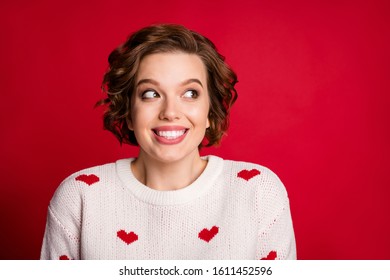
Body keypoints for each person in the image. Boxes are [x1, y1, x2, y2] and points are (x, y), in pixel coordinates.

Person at [40, 24, 296, 260]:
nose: (170, 111)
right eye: (150, 94)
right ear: (129, 113)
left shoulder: (257, 192)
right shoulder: (81, 195)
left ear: (210, 110)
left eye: (190, 93)